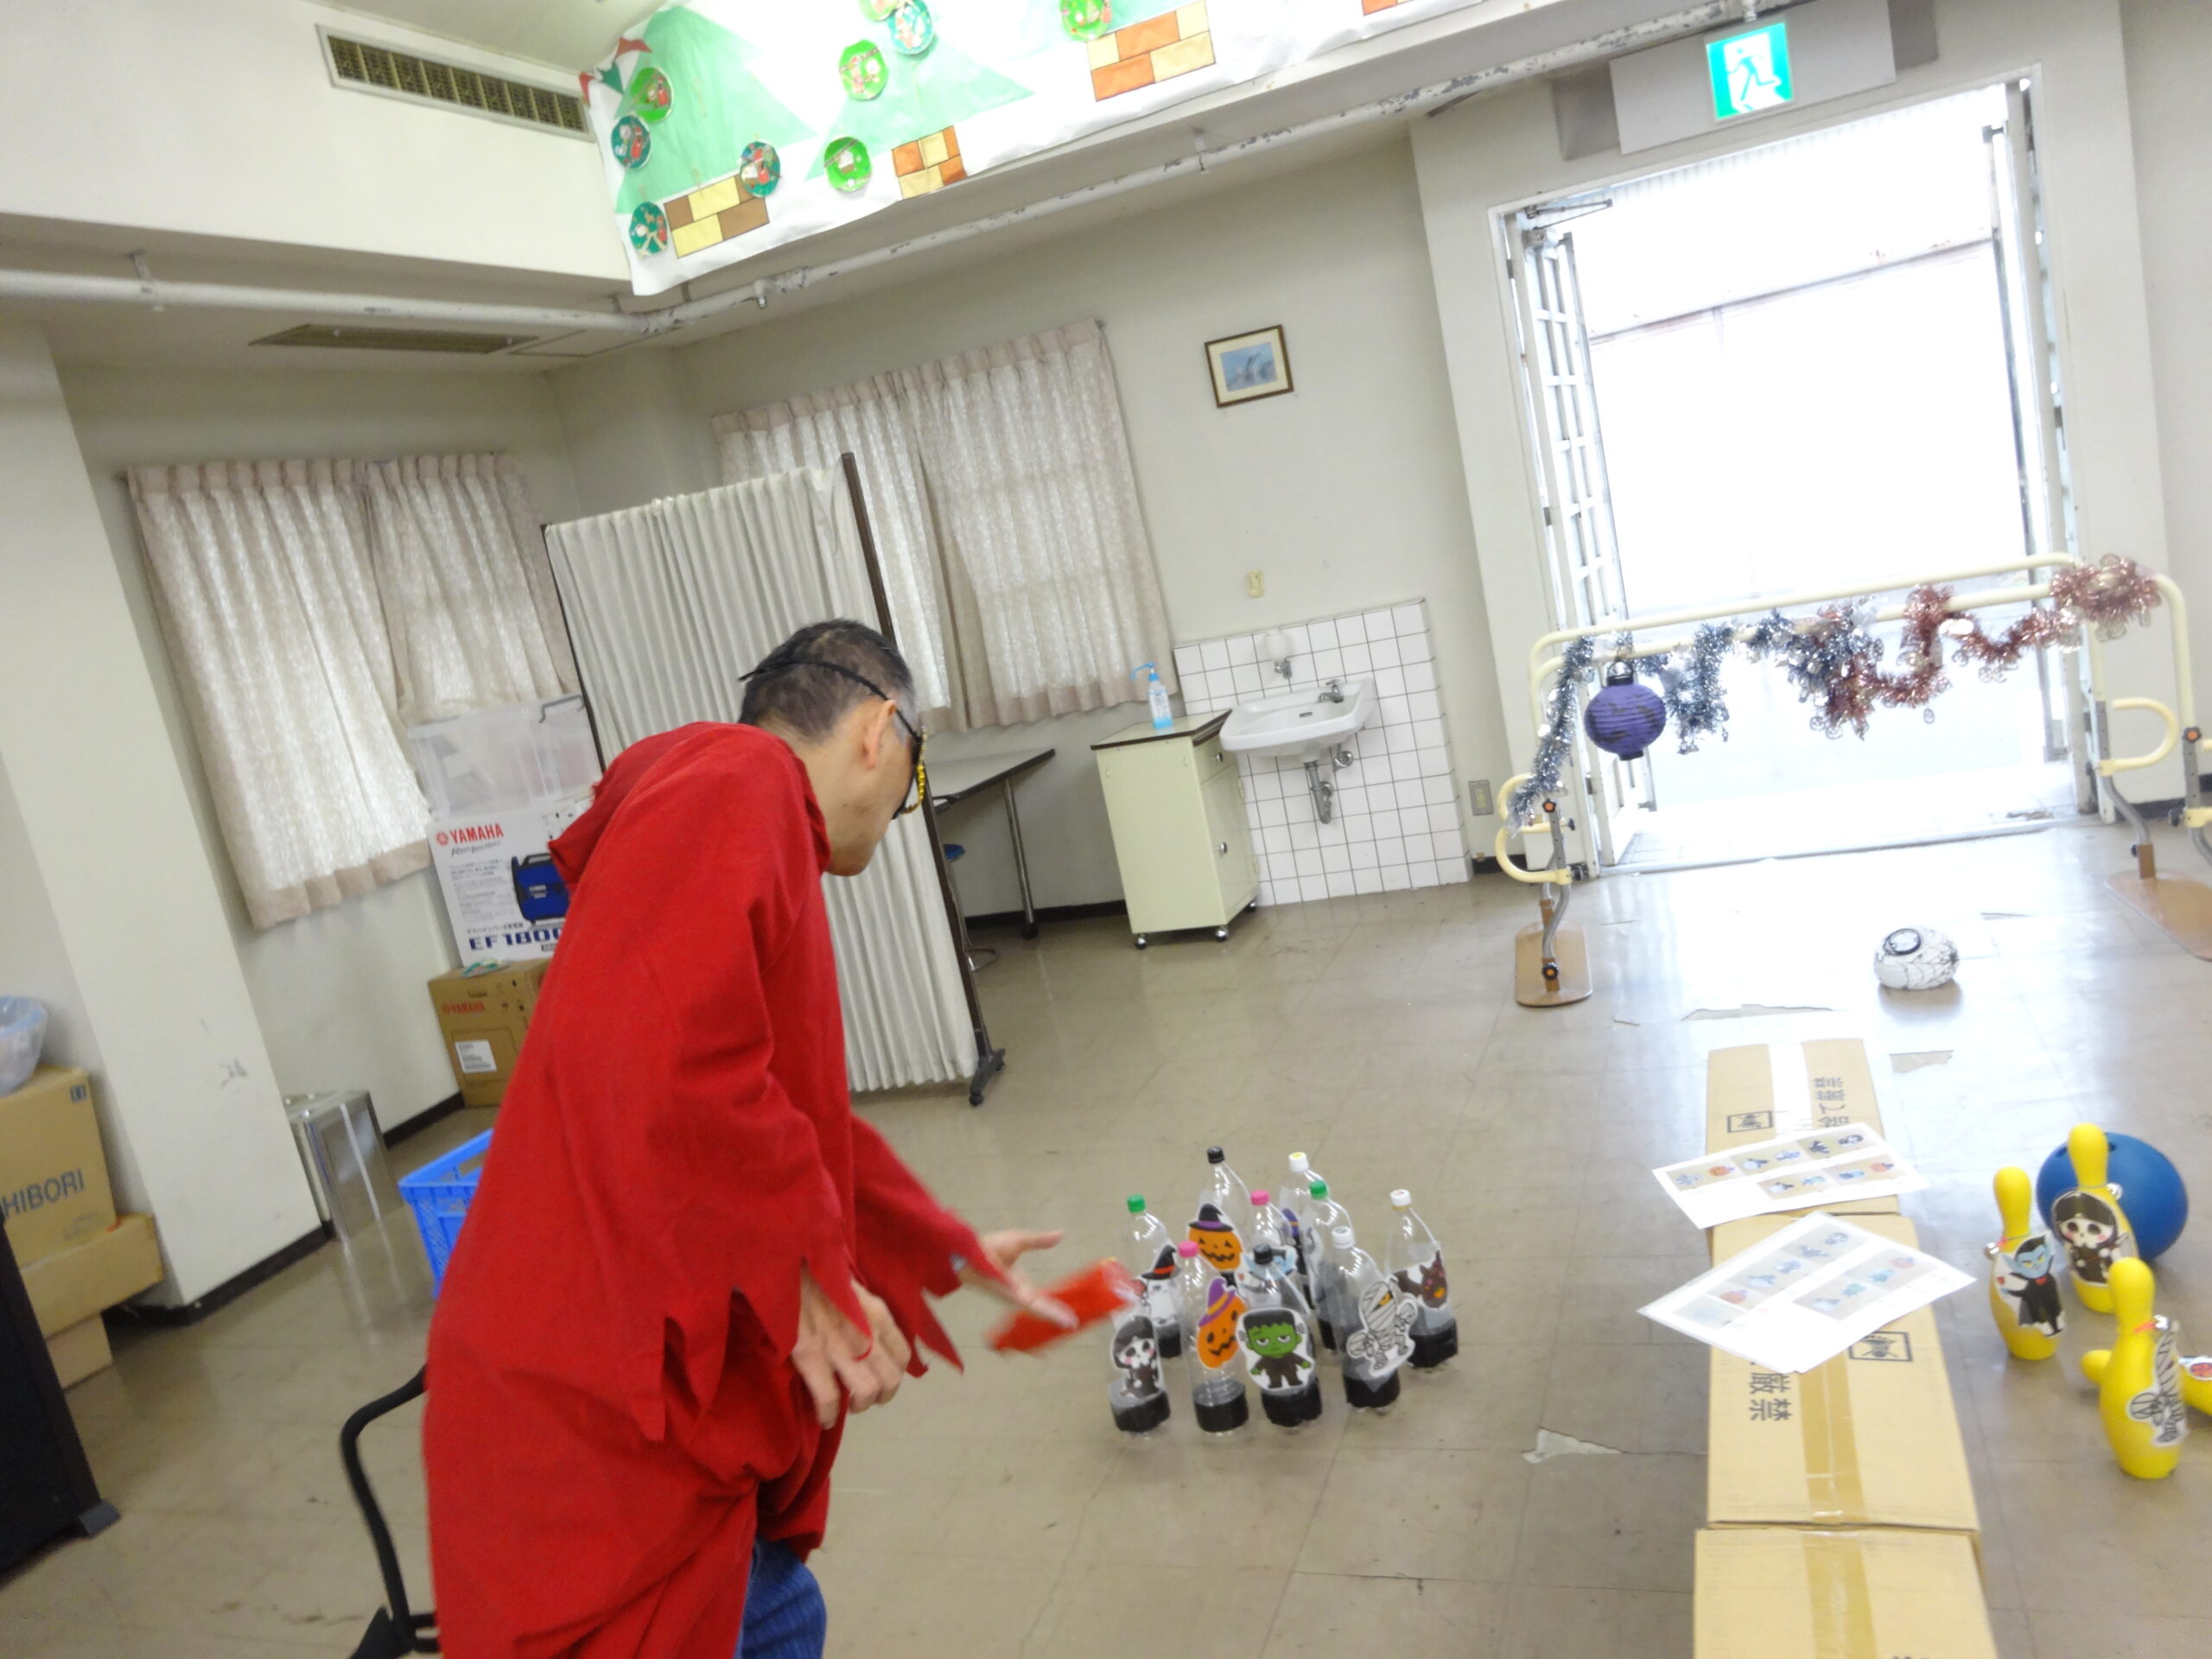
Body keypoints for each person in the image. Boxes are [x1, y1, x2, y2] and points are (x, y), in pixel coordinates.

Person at [423, 620, 1071, 1659]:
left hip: (635, 1401)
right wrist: (798, 1258)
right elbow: (660, 1052)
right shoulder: (742, 777)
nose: (900, 809)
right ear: (878, 732)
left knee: (775, 1611)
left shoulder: (721, 809)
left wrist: (934, 1243)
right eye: (912, 780)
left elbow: (778, 1112)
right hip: (596, 1412)